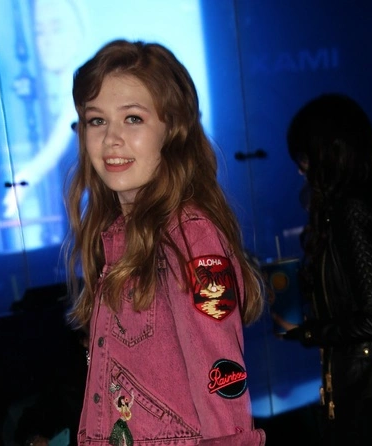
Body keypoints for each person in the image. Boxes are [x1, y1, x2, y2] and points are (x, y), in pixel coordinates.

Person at [63, 39, 266, 445]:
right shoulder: (117, 237)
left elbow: (221, 380)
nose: (112, 138)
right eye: (96, 120)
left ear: (171, 130)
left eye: (133, 119)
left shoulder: (190, 236)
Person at [275, 93, 372, 445]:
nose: (300, 169)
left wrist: (310, 333)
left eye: (304, 157)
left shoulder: (352, 208)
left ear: (325, 153)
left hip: (369, 382)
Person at [3, 0, 88, 218]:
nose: (47, 42)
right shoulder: (52, 96)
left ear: (78, 32)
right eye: (40, 32)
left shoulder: (84, 91)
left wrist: (24, 180)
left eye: (57, 29)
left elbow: (55, 148)